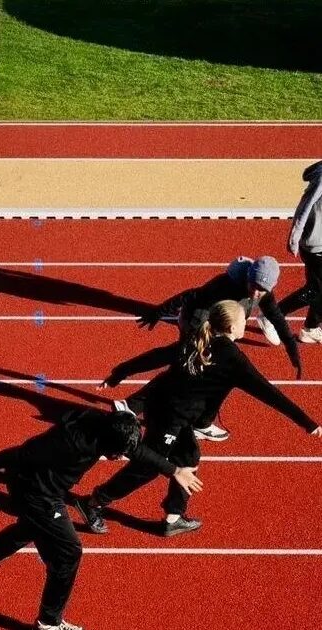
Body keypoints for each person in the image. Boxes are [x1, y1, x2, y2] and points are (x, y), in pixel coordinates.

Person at [0, 408, 202, 630]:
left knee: (28, 530)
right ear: (107, 441)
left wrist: (174, 470)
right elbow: (18, 455)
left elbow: (137, 450)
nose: (120, 457)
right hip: (36, 492)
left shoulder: (106, 425)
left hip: (47, 489)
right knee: (69, 552)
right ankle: (49, 621)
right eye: (119, 453)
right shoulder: (70, 443)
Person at [81, 301, 320, 537]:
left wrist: (120, 372)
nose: (245, 324)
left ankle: (173, 516)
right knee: (148, 467)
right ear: (232, 327)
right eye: (243, 320)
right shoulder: (233, 359)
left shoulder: (197, 339)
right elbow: (269, 393)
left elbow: (156, 356)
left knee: (188, 456)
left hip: (165, 407)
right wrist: (307, 423)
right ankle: (94, 501)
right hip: (169, 417)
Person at [106, 255, 300, 441]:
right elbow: (191, 295)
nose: (256, 292)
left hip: (218, 328)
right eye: (253, 285)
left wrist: (291, 346)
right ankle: (136, 406)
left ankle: (197, 420)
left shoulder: (263, 293)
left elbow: (276, 317)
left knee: (211, 374)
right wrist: (159, 311)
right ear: (248, 277)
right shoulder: (226, 285)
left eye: (262, 289)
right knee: (185, 370)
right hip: (197, 322)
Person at [277, 160, 322, 343]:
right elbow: (306, 205)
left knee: (317, 287)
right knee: (316, 289)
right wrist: (295, 235)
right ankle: (274, 314)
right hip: (316, 243)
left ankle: (311, 327)